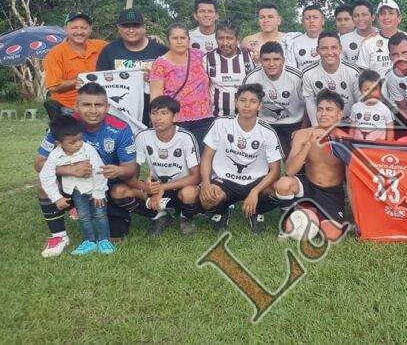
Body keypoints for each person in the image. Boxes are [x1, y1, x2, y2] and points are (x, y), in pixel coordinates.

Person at [35, 83, 141, 256]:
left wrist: (119, 171)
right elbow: (39, 163)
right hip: (74, 183)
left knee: (116, 236)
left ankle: (115, 217)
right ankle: (59, 236)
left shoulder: (121, 128)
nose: (93, 110)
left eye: (98, 105)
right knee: (43, 186)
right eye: (86, 105)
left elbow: (131, 168)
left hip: (105, 186)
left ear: (107, 107)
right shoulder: (63, 126)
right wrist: (70, 169)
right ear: (76, 106)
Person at [199, 84, 284, 234]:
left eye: (253, 101)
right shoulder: (221, 124)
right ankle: (223, 212)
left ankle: (255, 212)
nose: (247, 105)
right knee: (206, 199)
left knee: (279, 191)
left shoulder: (268, 131)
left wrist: (255, 192)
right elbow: (206, 158)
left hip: (255, 180)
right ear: (236, 102)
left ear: (260, 106)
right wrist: (205, 184)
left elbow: (275, 170)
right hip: (225, 180)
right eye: (243, 100)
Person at [274, 90, 350, 241]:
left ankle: (311, 213)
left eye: (329, 110)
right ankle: (289, 220)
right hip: (308, 186)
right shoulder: (303, 134)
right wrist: (309, 144)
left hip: (331, 193)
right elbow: (289, 171)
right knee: (283, 184)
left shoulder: (346, 140)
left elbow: (352, 181)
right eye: (320, 109)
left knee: (331, 236)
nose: (323, 114)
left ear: (340, 114)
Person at [38, 115, 114, 256]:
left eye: (80, 138)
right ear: (59, 143)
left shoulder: (88, 150)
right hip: (77, 191)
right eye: (73, 142)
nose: (78, 143)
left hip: (95, 189)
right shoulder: (54, 156)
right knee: (84, 216)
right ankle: (90, 241)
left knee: (100, 215)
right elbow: (45, 176)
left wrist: (98, 192)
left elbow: (99, 170)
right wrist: (56, 198)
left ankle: (104, 240)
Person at [132, 96, 202, 236]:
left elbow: (196, 177)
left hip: (182, 186)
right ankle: (160, 215)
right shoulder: (142, 136)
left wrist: (162, 188)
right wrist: (143, 186)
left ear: (175, 116)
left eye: (164, 113)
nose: (158, 118)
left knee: (189, 194)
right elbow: (134, 169)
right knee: (121, 191)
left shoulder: (186, 137)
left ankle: (186, 217)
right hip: (156, 187)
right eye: (154, 113)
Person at [149, 23, 214, 148]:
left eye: (183, 38)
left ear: (189, 40)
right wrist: (160, 122)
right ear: (168, 40)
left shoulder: (199, 56)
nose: (179, 41)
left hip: (204, 119)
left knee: (202, 159)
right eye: (175, 38)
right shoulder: (160, 64)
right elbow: (156, 98)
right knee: (180, 160)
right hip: (177, 120)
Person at [243, 42, 306, 156]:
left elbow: (309, 105)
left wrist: (303, 130)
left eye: (276, 59)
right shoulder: (252, 78)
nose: (271, 64)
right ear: (260, 61)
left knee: (294, 159)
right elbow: (246, 107)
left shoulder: (297, 77)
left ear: (283, 60)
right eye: (266, 60)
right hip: (265, 124)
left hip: (294, 123)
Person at [43, 12, 107, 117]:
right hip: (68, 108)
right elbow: (53, 86)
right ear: (65, 29)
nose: (79, 32)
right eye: (74, 28)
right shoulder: (55, 54)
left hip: (100, 105)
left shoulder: (102, 46)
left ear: (90, 29)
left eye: (84, 28)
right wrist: (79, 81)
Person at [301, 32, 361, 125]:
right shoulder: (308, 74)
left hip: (350, 123)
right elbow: (311, 105)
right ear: (318, 50)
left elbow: (360, 102)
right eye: (324, 48)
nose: (329, 52)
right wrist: (317, 128)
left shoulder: (353, 72)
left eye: (334, 47)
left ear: (340, 49)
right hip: (324, 125)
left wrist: (355, 127)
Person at [203, 20, 258, 117]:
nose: (225, 43)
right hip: (217, 118)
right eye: (220, 38)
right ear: (216, 39)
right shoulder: (207, 59)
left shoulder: (251, 56)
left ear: (237, 39)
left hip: (245, 118)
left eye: (229, 38)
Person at [357, 0, 407, 74]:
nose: (386, 17)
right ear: (377, 19)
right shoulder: (368, 43)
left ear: (399, 18)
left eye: (391, 13)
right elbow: (363, 75)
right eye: (382, 13)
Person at [96, 8, 167, 72]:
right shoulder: (109, 51)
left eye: (136, 25)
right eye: (126, 26)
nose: (131, 30)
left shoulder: (161, 51)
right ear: (119, 28)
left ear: (144, 27)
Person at [349, 70, 394, 141]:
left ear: (380, 89)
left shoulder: (385, 109)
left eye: (375, 89)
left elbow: (390, 132)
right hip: (358, 146)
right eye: (367, 90)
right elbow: (352, 129)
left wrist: (388, 146)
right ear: (360, 90)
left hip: (376, 149)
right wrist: (350, 143)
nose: (371, 93)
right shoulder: (355, 107)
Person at [285, 5, 325, 70]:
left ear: (323, 21)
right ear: (302, 22)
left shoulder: (333, 40)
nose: (311, 21)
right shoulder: (293, 42)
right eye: (307, 18)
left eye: (315, 17)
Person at [339, 0, 378, 65]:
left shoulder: (382, 35)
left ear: (373, 17)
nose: (360, 19)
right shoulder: (343, 40)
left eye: (364, 15)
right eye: (356, 16)